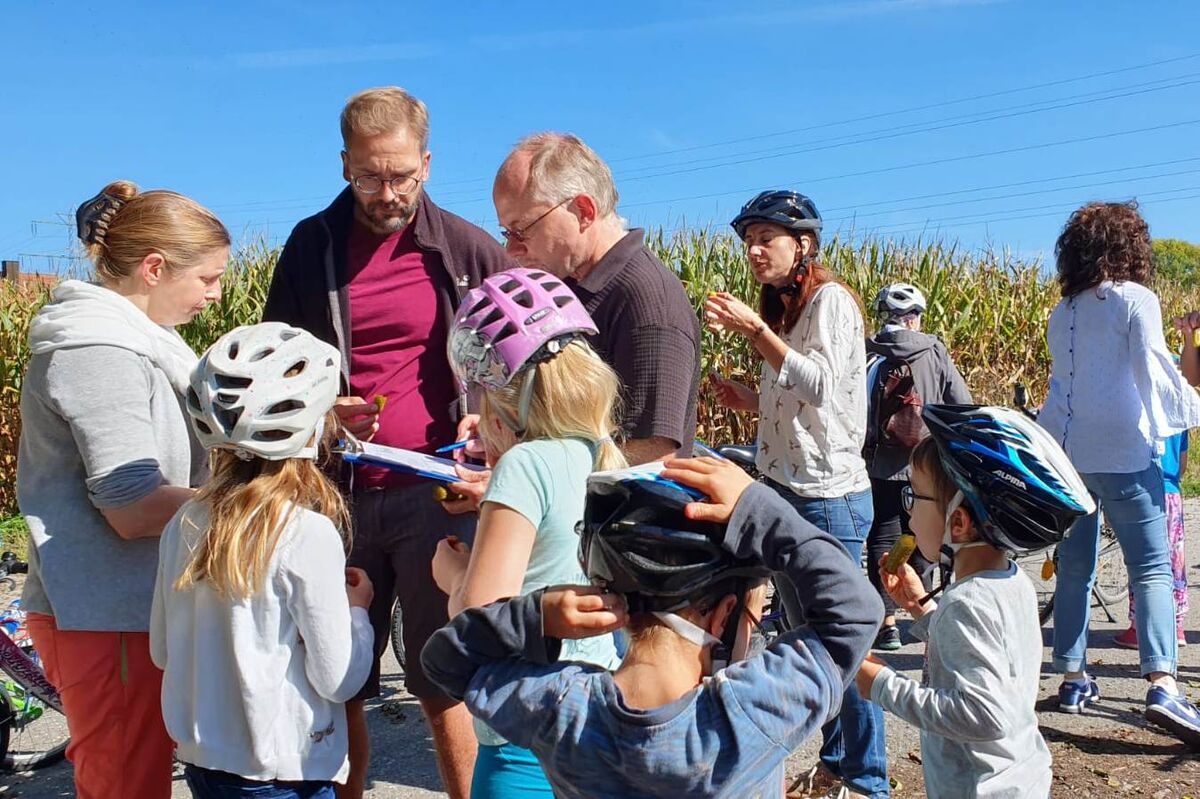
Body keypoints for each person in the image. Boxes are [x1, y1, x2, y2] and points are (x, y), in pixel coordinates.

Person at [262, 86, 514, 798]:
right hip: (332, 493)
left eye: (401, 174)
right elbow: (271, 367)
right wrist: (321, 408)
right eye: (370, 175)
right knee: (333, 673)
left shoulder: (466, 249)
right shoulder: (311, 248)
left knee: (443, 675)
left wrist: (487, 414)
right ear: (344, 164)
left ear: (428, 163)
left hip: (436, 495)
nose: (386, 192)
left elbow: (532, 361)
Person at [420, 456, 883, 799]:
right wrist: (757, 508)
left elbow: (446, 663)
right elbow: (855, 613)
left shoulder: (563, 707)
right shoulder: (751, 712)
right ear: (720, 616)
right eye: (753, 612)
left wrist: (536, 615)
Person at [17, 180, 227, 799]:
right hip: (107, 612)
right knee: (124, 783)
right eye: (207, 278)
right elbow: (133, 508)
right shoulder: (97, 352)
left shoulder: (133, 341)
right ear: (155, 268)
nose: (215, 296)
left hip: (128, 608)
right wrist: (250, 505)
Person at [705, 190, 885, 798]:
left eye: (766, 238)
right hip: (784, 486)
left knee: (842, 644)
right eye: (748, 240)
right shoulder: (786, 307)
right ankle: (837, 765)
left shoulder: (831, 302)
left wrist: (756, 332)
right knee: (812, 646)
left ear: (804, 243)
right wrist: (746, 398)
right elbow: (794, 399)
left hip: (827, 496)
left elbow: (822, 387)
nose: (753, 250)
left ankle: (866, 778)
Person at [152, 323, 375, 798]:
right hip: (286, 770)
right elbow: (338, 679)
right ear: (316, 424)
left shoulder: (185, 522)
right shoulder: (306, 531)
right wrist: (358, 612)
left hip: (204, 764)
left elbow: (161, 651)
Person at [429, 268, 624, 797]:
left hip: (522, 736)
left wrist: (451, 574)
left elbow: (480, 619)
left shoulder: (524, 466)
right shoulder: (605, 453)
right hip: (599, 714)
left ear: (500, 408)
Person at [859, 404, 1094, 798]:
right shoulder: (1009, 580)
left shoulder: (967, 603)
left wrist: (881, 686)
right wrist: (922, 607)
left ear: (958, 523)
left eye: (914, 497)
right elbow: (985, 654)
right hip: (1020, 778)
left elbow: (984, 715)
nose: (909, 512)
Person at [1037, 201, 1200, 748]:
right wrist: (1188, 408)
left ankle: (1073, 680)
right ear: (1128, 247)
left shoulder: (1065, 310)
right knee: (1151, 568)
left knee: (1076, 569)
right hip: (1128, 454)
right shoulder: (1136, 299)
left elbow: (1061, 388)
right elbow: (1152, 368)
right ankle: (1161, 683)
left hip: (1071, 458)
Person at [489, 132, 700, 466]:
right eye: (506, 233)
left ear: (584, 211)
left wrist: (524, 479)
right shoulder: (569, 286)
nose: (512, 250)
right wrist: (498, 431)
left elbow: (651, 455)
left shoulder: (646, 301)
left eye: (522, 229)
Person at [863, 282, 972, 651]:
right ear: (914, 318)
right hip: (927, 462)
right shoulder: (934, 350)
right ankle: (924, 609)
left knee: (884, 533)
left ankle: (886, 621)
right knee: (926, 532)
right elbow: (961, 403)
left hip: (880, 464)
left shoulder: (868, 352)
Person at [1115, 414, 1189, 650]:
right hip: (1171, 493)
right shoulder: (1178, 412)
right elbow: (1183, 463)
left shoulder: (1139, 410)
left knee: (1143, 559)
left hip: (1143, 491)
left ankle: (1139, 627)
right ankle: (1177, 625)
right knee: (1175, 559)